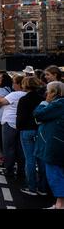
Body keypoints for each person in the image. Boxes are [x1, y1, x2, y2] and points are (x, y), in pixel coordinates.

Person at [33, 81, 64, 209]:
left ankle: (60, 204)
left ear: (54, 92)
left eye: (48, 90)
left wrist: (44, 102)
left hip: (55, 145)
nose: (46, 93)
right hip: (57, 143)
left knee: (55, 174)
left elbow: (38, 114)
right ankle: (59, 203)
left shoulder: (58, 104)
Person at [16, 76, 47, 196]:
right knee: (41, 159)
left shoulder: (24, 99)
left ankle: (32, 187)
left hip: (26, 130)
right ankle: (42, 188)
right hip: (39, 130)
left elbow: (20, 117)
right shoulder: (42, 98)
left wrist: (19, 128)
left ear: (25, 85)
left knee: (30, 159)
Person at [0, 75, 26, 178]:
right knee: (20, 149)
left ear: (18, 84)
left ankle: (9, 170)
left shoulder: (14, 94)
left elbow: (1, 101)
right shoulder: (26, 94)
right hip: (20, 123)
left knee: (9, 148)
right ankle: (21, 171)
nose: (12, 84)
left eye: (14, 82)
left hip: (9, 123)